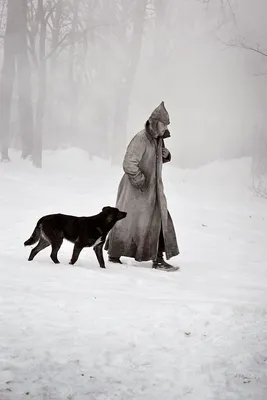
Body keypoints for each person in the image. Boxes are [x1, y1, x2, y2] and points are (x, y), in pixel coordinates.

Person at [105, 101, 179, 271]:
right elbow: (129, 163)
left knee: (158, 220)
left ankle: (157, 257)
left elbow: (154, 161)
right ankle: (115, 254)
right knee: (127, 221)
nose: (165, 128)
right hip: (135, 190)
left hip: (152, 191)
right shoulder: (140, 139)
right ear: (155, 123)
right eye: (163, 124)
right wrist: (140, 181)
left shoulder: (158, 140)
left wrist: (166, 156)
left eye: (167, 125)